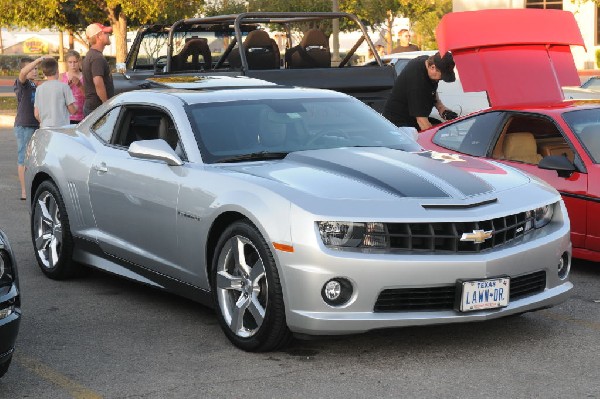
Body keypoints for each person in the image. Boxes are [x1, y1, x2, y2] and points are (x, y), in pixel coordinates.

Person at [383, 51, 459, 131]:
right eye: (441, 77)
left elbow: (431, 90)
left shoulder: (426, 60)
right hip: (398, 124)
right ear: (432, 67)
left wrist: (441, 108)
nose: (440, 80)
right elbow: (422, 121)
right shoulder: (417, 82)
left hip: (412, 119)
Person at [14, 56, 47, 200]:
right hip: (24, 126)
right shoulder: (22, 83)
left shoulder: (34, 85)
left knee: (33, 158)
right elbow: (22, 73)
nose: (34, 70)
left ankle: (31, 187)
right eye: (32, 68)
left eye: (36, 69)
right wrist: (38, 60)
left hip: (35, 125)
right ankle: (23, 191)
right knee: (23, 158)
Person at [34, 57, 77, 128]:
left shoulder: (39, 89)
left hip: (45, 128)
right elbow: (72, 110)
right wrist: (77, 107)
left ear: (44, 73)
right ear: (57, 70)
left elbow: (36, 114)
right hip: (62, 128)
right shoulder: (64, 87)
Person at [82, 22, 114, 116]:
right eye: (105, 33)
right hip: (96, 108)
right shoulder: (97, 58)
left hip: (92, 107)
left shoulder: (91, 55)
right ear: (98, 36)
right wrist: (106, 105)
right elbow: (98, 82)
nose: (108, 35)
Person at [60, 50, 85, 123]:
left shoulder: (85, 76)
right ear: (66, 63)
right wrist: (66, 87)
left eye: (75, 62)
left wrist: (79, 85)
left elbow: (89, 96)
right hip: (65, 116)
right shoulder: (61, 77)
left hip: (82, 116)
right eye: (70, 62)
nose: (73, 65)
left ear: (79, 62)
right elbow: (57, 96)